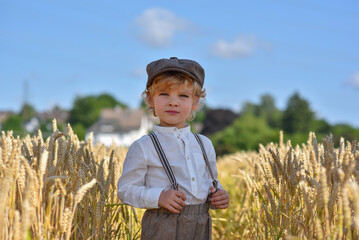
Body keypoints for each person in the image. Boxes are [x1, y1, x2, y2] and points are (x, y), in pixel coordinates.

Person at [117, 57, 230, 240]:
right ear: (150, 99)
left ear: (195, 102)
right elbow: (126, 190)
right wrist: (158, 197)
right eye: (164, 94)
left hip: (201, 225)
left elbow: (210, 182)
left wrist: (217, 195)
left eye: (183, 96)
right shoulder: (144, 147)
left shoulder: (204, 144)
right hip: (163, 226)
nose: (173, 102)